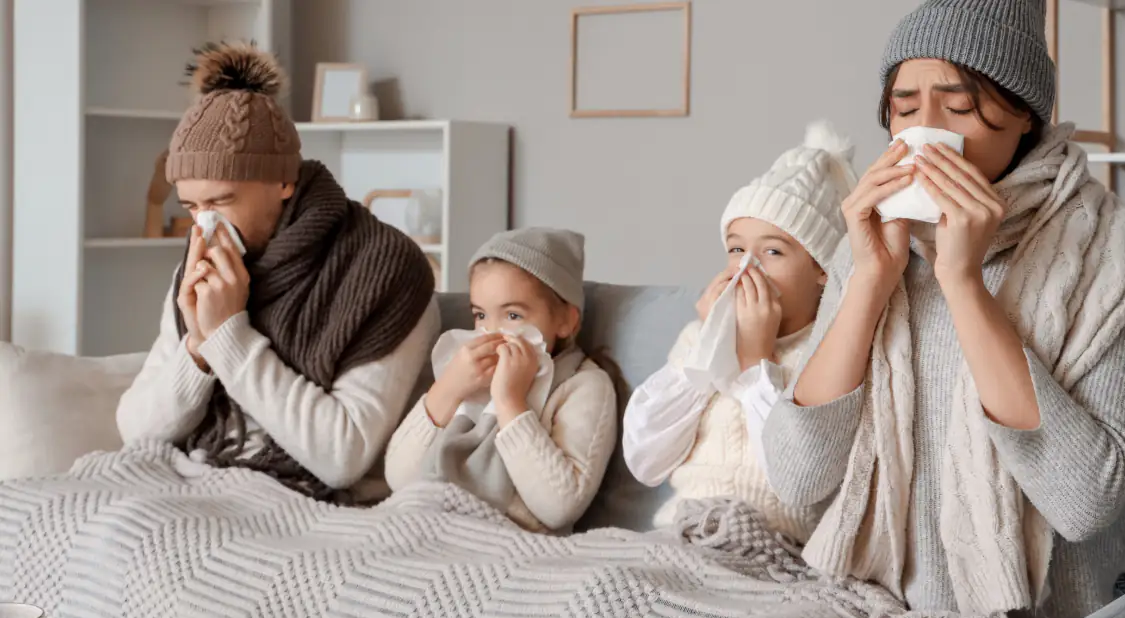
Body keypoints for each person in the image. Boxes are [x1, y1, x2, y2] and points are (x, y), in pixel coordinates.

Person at [762, 0, 1125, 618]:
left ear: (1025, 116)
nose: (927, 131)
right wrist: (870, 278)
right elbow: (796, 481)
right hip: (875, 612)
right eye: (904, 109)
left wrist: (963, 282)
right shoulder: (873, 241)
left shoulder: (1121, 250)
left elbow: (1087, 501)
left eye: (957, 108)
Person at [116, 43, 440, 504]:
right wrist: (197, 348)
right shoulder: (204, 265)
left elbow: (343, 456)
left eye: (221, 202)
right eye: (191, 206)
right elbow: (136, 429)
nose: (204, 225)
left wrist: (229, 336)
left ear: (283, 180)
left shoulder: (385, 270)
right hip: (199, 479)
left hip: (311, 502)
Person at [622, 122, 856, 541]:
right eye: (736, 249)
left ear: (822, 268)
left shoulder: (828, 351)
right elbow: (645, 461)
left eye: (772, 251)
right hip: (682, 531)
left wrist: (756, 363)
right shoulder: (700, 339)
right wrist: (706, 348)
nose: (747, 268)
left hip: (772, 540)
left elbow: (799, 485)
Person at [384, 228, 618, 534]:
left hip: (505, 542)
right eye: (480, 315)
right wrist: (448, 389)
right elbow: (398, 479)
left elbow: (560, 508)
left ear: (566, 320)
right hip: (423, 523)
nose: (492, 332)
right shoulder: (469, 376)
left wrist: (510, 402)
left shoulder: (583, 385)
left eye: (513, 316)